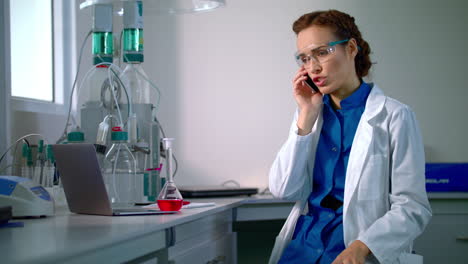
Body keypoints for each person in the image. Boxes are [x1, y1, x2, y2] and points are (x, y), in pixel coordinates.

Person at [268, 10, 432, 264]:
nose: (313, 67)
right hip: (303, 248)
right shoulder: (310, 114)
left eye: (322, 52)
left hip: (357, 251)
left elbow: (413, 207)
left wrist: (362, 246)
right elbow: (283, 189)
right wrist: (306, 115)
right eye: (304, 58)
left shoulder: (394, 116)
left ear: (351, 48)